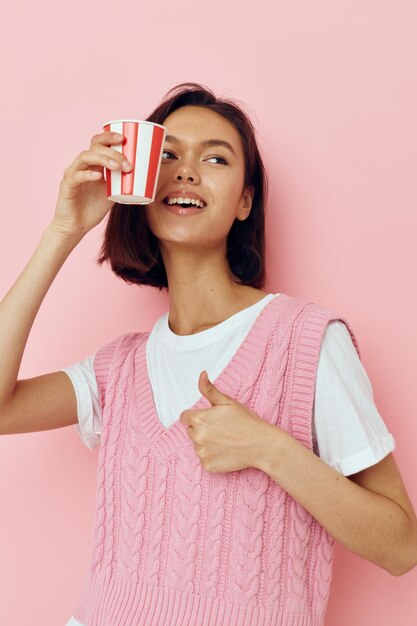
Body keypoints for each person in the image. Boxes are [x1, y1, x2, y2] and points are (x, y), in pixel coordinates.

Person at [0, 82, 416, 626]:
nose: (186, 171)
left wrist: (271, 449)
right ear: (141, 185)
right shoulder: (118, 369)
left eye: (215, 157)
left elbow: (402, 547)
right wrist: (64, 230)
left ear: (245, 200)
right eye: (167, 155)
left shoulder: (306, 341)